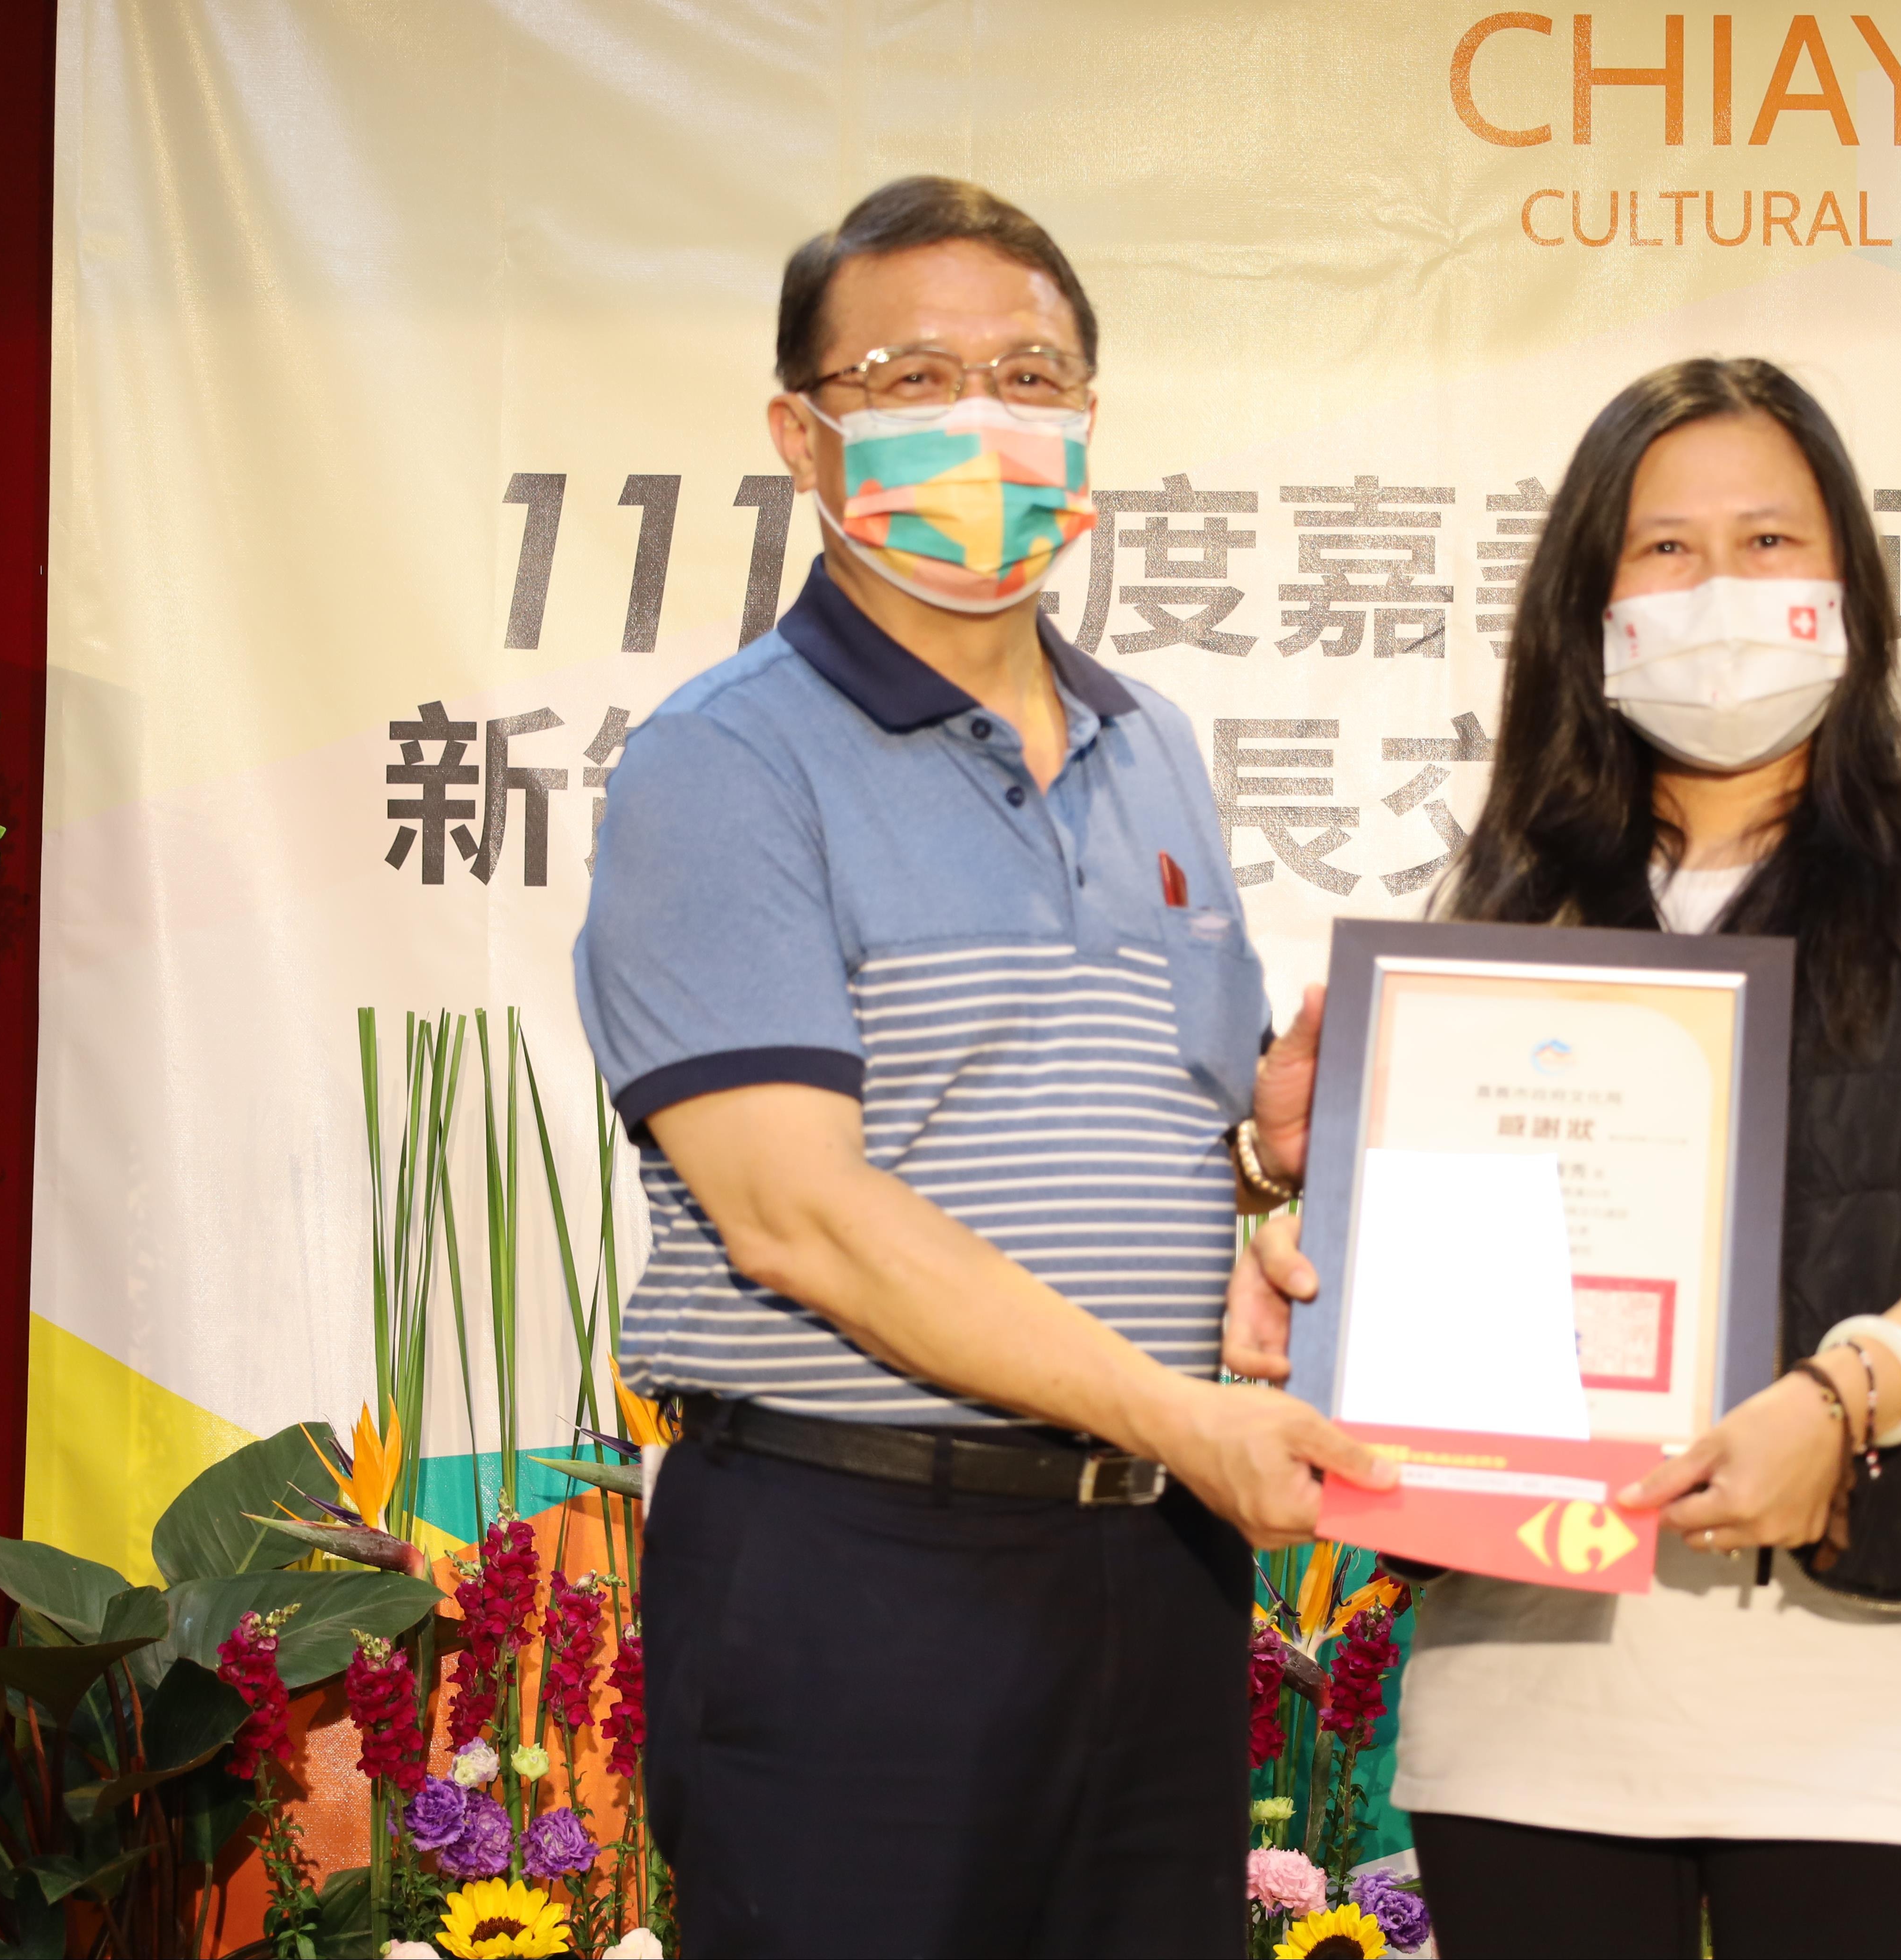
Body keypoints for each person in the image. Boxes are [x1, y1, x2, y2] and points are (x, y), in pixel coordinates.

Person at [573, 175, 1390, 1960]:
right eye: (911, 377)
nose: (982, 418)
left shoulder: (1148, 743)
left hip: (1154, 1575)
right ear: (801, 432)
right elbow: (799, 1217)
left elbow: (1141, 1135)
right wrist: (1187, 1419)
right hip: (854, 1567)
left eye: (1029, 376)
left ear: (1087, 418)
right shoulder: (725, 765)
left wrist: (1264, 1154)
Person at [1230, 356, 1901, 1959]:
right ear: (1590, 602)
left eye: (1770, 541)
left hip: (1872, 1729)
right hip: (1527, 1713)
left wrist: (1842, 1398)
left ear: (1848, 583)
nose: (1719, 587)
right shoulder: (1492, 911)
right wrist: (1312, 1184)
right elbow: (1425, 1301)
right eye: (1665, 549)